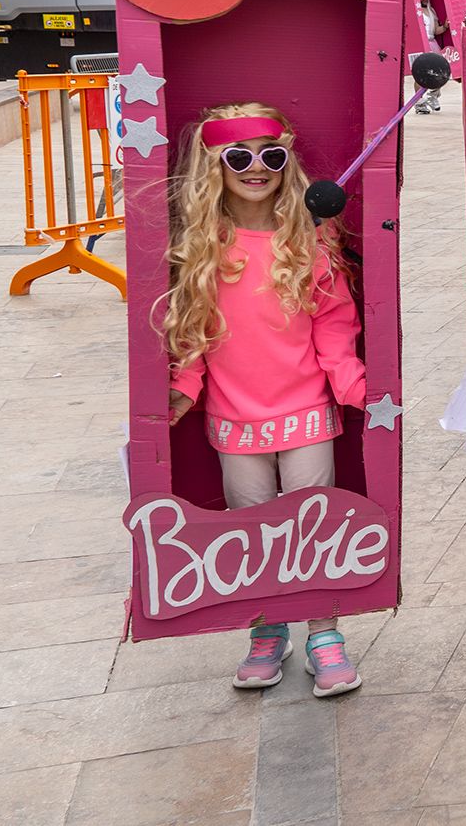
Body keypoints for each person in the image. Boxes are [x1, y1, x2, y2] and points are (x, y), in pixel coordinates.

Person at [163, 103, 368, 697]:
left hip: (306, 413)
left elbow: (334, 321)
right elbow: (193, 330)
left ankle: (325, 635)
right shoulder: (205, 244)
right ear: (215, 166)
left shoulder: (309, 238)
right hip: (236, 420)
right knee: (253, 534)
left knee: (312, 527)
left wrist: (350, 381)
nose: (257, 168)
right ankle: (267, 628)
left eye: (271, 156)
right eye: (240, 157)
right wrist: (184, 386)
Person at [414, 0, 450, 114]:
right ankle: (419, 103)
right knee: (420, 74)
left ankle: (433, 96)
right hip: (420, 44)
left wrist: (445, 27)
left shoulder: (431, 11)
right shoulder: (414, 11)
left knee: (441, 71)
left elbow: (435, 31)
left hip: (432, 44)